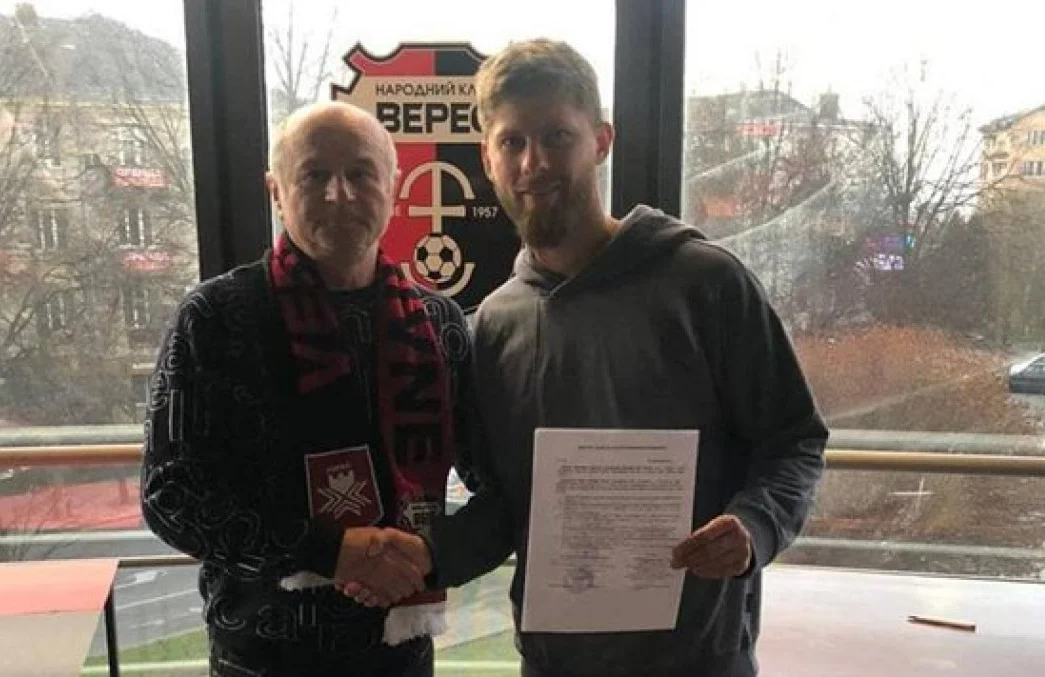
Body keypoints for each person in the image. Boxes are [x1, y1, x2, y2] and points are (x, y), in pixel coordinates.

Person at [357, 38, 828, 677]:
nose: (534, 162)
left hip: (699, 661)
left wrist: (755, 525)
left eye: (558, 136)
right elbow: (507, 507)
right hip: (554, 663)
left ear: (601, 140)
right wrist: (425, 557)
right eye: (512, 141)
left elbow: (794, 439)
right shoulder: (493, 327)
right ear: (488, 159)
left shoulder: (706, 284)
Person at [141, 101, 479, 677]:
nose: (338, 194)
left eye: (360, 173)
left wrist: (432, 554)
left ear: (394, 186)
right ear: (276, 191)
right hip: (259, 659)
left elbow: (490, 478)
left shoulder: (440, 325)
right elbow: (170, 495)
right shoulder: (216, 318)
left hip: (400, 656)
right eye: (314, 174)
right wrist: (328, 551)